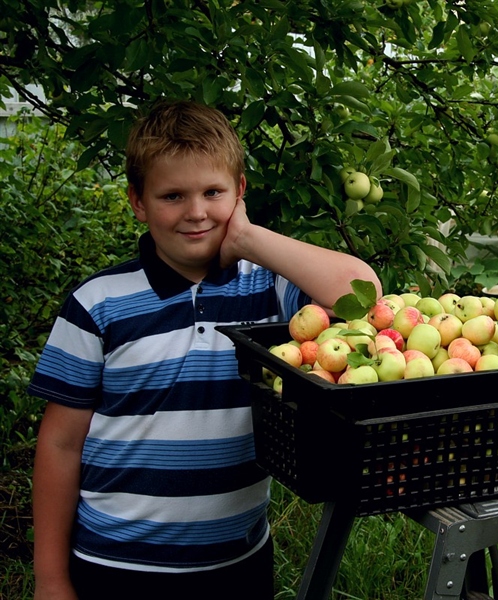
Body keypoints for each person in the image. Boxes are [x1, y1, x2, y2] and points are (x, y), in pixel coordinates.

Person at [29, 100, 382, 600]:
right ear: (138, 202)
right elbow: (60, 444)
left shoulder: (268, 291)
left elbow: (364, 295)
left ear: (239, 193)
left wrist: (248, 238)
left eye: (213, 192)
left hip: (236, 562)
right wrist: (50, 577)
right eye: (172, 195)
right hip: (115, 563)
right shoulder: (98, 305)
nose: (196, 212)